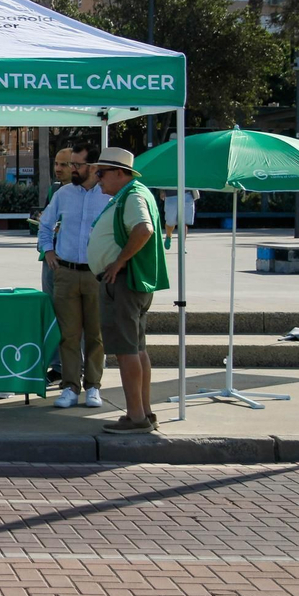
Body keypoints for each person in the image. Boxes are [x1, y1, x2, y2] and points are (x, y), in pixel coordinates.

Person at [87, 148, 170, 433]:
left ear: (120, 173)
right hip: (131, 282)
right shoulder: (132, 193)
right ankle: (143, 412)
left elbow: (143, 229)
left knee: (126, 351)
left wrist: (118, 262)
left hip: (123, 283)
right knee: (137, 349)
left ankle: (136, 417)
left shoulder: (133, 195)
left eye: (102, 173)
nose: (98, 179)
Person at [38, 143, 112, 409]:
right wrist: (48, 251)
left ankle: (93, 386)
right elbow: (44, 225)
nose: (71, 170)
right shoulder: (63, 194)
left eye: (77, 165)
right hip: (66, 272)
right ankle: (70, 386)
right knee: (68, 334)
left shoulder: (109, 195)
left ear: (93, 167)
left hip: (97, 274)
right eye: (71, 165)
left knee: (96, 334)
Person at [39, 147, 74, 382]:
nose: (58, 169)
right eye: (56, 164)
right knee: (52, 312)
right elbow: (45, 221)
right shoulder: (55, 190)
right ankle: (57, 367)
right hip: (51, 260)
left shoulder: (90, 192)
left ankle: (75, 368)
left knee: (73, 317)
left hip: (74, 264)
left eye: (63, 164)